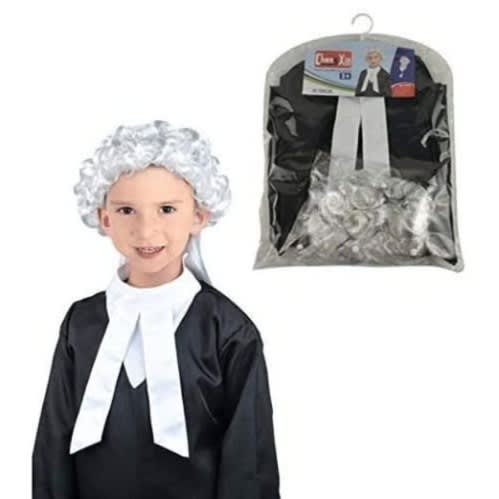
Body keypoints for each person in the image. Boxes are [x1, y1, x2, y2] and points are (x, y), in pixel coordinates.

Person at [32, 120, 281, 499]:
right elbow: (53, 442)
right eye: (126, 210)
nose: (146, 231)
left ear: (198, 215)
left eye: (166, 209)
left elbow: (250, 458)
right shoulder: (80, 324)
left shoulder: (228, 330)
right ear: (104, 218)